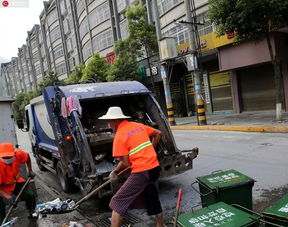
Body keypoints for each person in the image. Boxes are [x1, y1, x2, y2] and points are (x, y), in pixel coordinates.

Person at [99, 106, 164, 227]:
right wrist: (151, 150)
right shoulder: (137, 125)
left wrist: (115, 172)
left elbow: (125, 163)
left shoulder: (119, 136)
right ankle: (161, 225)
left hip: (142, 172)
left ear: (115, 121)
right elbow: (158, 133)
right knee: (152, 196)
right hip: (154, 167)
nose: (108, 124)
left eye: (109, 121)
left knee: (117, 202)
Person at [0, 142, 36, 223]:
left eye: (9, 156)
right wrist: (7, 197)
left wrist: (30, 171)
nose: (7, 158)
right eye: (5, 157)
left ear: (14, 153)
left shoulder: (18, 154)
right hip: (2, 187)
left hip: (15, 182)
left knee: (30, 195)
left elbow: (27, 156)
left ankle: (31, 211)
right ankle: (2, 222)